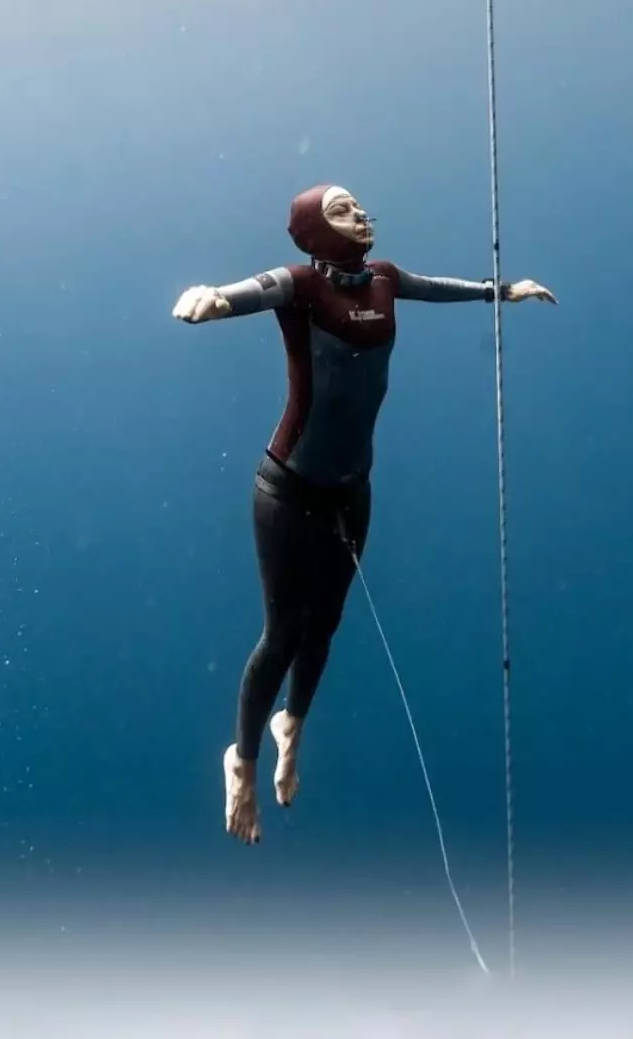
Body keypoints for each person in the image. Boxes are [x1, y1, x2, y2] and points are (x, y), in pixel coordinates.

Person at [173, 183, 556, 844]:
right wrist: (215, 299)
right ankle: (242, 760)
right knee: (283, 633)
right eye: (342, 210)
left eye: (358, 205)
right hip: (288, 488)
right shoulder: (300, 284)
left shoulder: (383, 278)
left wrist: (503, 290)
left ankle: (291, 723)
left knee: (327, 625)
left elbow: (438, 287)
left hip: (353, 488)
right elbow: (254, 289)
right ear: (312, 233)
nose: (360, 215)